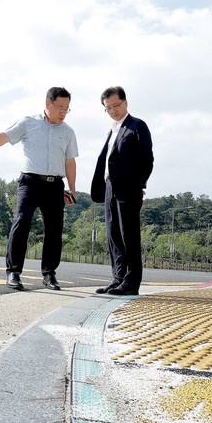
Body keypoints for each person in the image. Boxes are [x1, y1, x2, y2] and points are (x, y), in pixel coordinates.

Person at [0, 87, 78, 291]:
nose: (63, 112)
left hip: (55, 185)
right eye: (60, 107)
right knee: (22, 222)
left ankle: (49, 274)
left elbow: (70, 162)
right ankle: (13, 271)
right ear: (48, 104)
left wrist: (72, 190)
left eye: (67, 108)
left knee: (55, 229)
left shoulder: (68, 132)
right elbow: (3, 137)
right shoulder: (28, 123)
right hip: (30, 182)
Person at [90, 86, 154, 296]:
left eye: (116, 105)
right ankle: (118, 278)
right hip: (110, 187)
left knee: (129, 236)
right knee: (113, 236)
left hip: (129, 188)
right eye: (108, 108)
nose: (113, 111)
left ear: (125, 102)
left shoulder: (137, 126)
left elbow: (147, 159)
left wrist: (139, 184)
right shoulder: (112, 130)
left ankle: (131, 282)